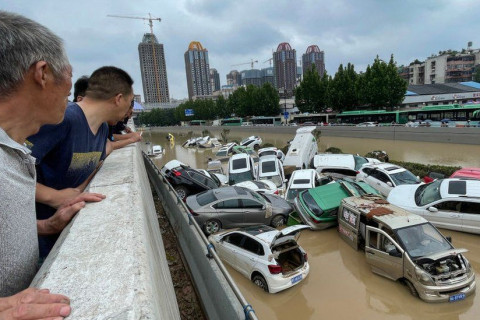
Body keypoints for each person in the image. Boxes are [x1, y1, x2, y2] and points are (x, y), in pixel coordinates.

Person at [0, 10, 102, 318]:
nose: (70, 102)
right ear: (42, 73)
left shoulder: (14, 152)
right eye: (69, 91)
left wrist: (46, 226)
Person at [27, 66, 135, 258]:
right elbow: (9, 171)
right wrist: (54, 196)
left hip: (63, 235)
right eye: (129, 102)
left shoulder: (102, 128)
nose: (129, 110)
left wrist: (78, 193)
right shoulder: (63, 119)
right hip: (34, 241)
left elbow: (96, 163)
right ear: (118, 99)